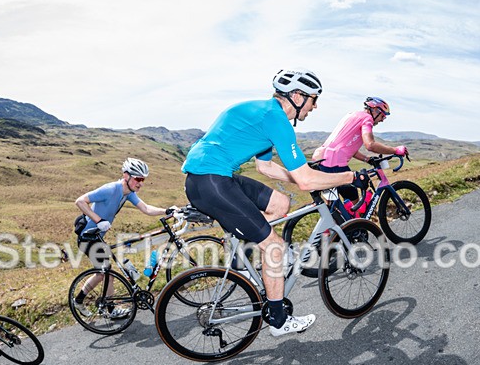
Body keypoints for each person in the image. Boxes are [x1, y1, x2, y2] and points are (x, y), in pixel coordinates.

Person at [181, 68, 369, 337]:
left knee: (280, 203)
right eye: (314, 99)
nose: (314, 107)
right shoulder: (276, 119)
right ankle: (279, 320)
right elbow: (305, 181)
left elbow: (265, 167)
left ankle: (249, 265)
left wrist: (306, 176)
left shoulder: (263, 114)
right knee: (276, 247)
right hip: (211, 181)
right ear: (297, 96)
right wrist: (349, 177)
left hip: (211, 177)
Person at [72, 157, 177, 317]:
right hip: (87, 237)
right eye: (138, 179)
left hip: (97, 237)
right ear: (126, 176)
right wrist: (98, 221)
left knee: (103, 274)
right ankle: (110, 309)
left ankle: (79, 301)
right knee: (106, 273)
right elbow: (80, 201)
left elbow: (146, 208)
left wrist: (167, 211)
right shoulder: (110, 189)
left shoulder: (128, 193)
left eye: (143, 180)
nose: (140, 183)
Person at [313, 96, 408, 204]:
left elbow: (346, 147)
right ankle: (357, 220)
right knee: (356, 203)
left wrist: (367, 159)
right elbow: (370, 145)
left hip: (322, 161)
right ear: (375, 110)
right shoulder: (367, 119)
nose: (383, 119)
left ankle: (336, 219)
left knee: (333, 206)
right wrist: (395, 150)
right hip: (335, 164)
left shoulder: (352, 115)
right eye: (383, 115)